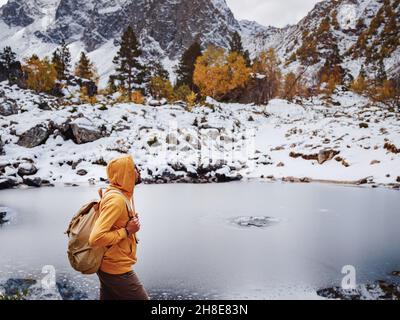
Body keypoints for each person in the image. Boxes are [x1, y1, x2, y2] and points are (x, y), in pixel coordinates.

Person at [89, 155, 149, 300]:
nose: (138, 170)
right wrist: (127, 231)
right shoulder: (116, 200)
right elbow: (95, 238)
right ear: (125, 173)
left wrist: (128, 224)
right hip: (116, 269)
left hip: (108, 266)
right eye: (134, 167)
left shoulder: (120, 195)